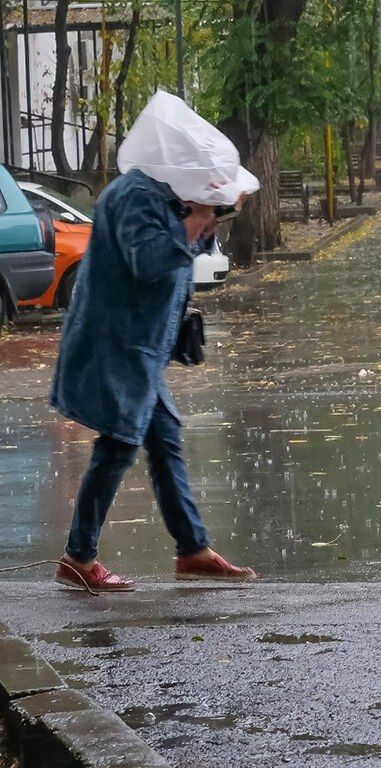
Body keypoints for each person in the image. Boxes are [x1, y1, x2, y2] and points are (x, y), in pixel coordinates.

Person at [49, 169, 257, 592]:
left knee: (164, 440)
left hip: (142, 346)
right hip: (118, 343)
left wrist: (211, 216)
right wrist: (197, 219)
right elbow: (148, 262)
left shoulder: (165, 196)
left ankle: (192, 550)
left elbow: (181, 252)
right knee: (119, 445)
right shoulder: (134, 196)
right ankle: (79, 556)